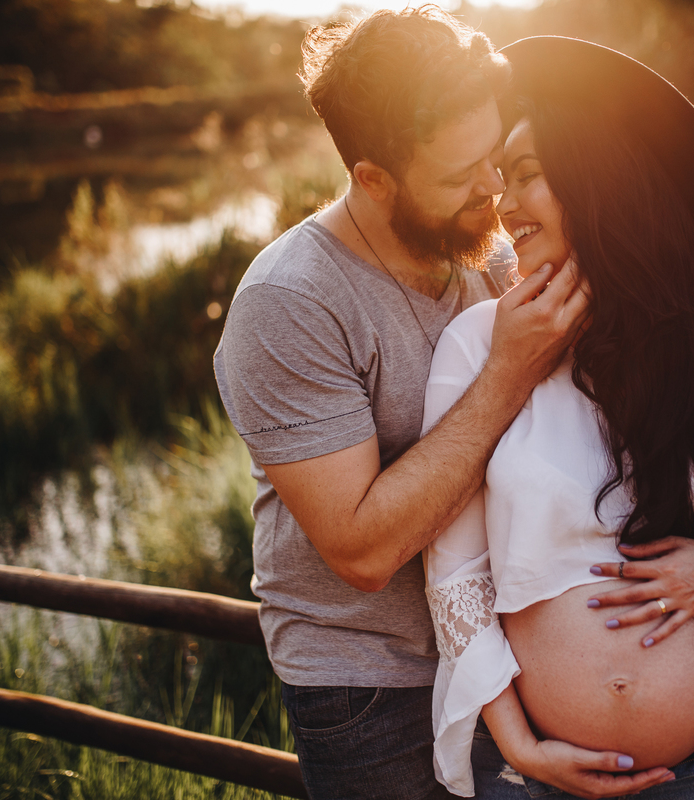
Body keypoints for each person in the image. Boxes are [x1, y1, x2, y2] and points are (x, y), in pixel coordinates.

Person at [213, 10, 605, 800]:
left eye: (494, 159)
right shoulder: (292, 301)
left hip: (512, 654)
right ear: (372, 179)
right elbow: (360, 552)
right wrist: (507, 373)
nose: (492, 192)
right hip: (370, 691)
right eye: (462, 176)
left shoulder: (494, 256)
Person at [422, 37, 694, 799]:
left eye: (531, 176)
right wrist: (519, 747)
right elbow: (456, 574)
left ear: (601, 181)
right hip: (535, 774)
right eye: (505, 179)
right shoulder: (478, 347)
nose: (505, 203)